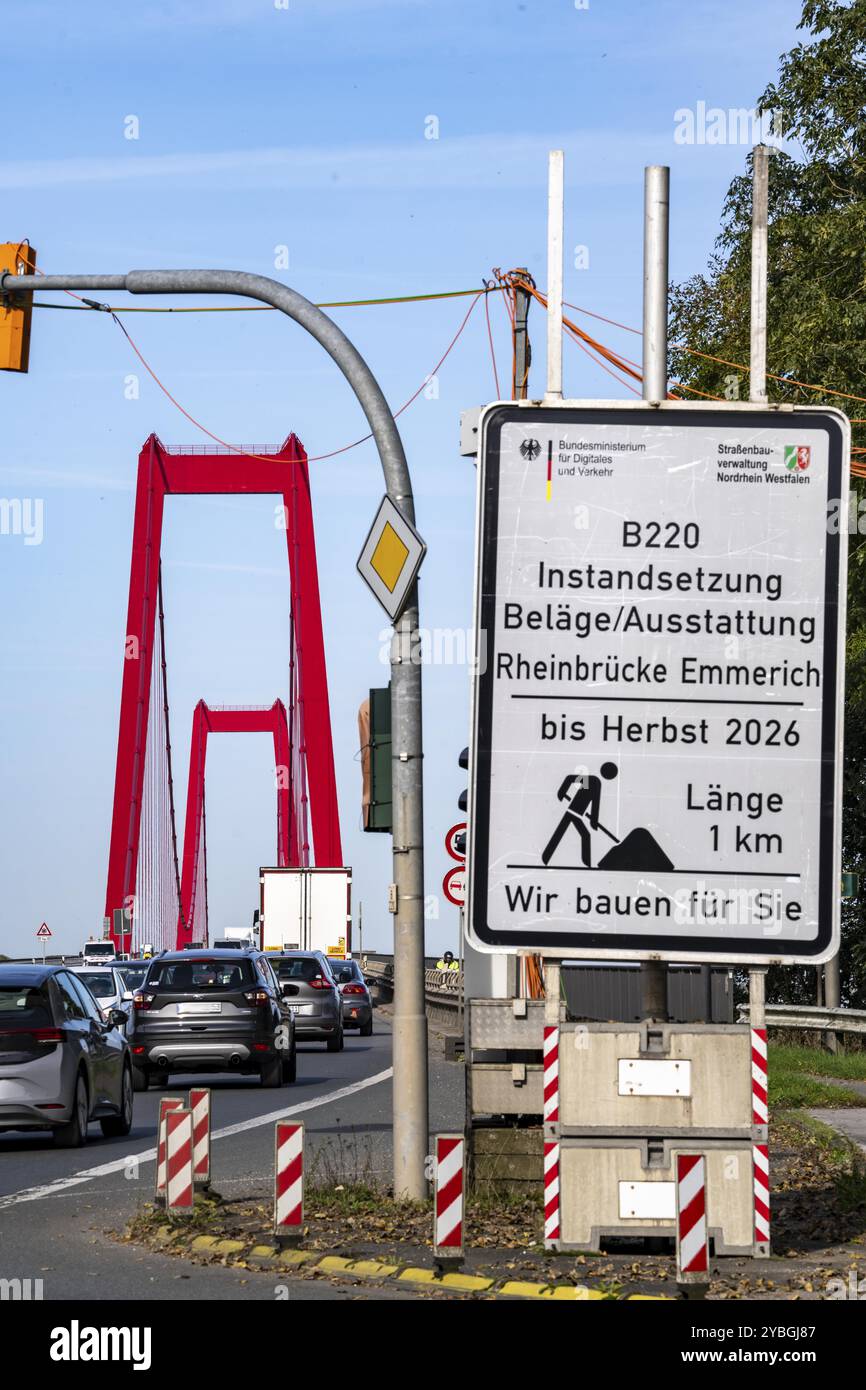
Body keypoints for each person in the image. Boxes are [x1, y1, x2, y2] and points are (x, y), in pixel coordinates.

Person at [542, 763, 618, 868]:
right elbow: (569, 779)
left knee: (568, 833)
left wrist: (593, 822)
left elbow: (595, 804)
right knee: (581, 834)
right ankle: (547, 857)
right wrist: (562, 792)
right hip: (572, 812)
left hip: (576, 814)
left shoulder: (595, 783)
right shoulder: (591, 780)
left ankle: (546, 857)